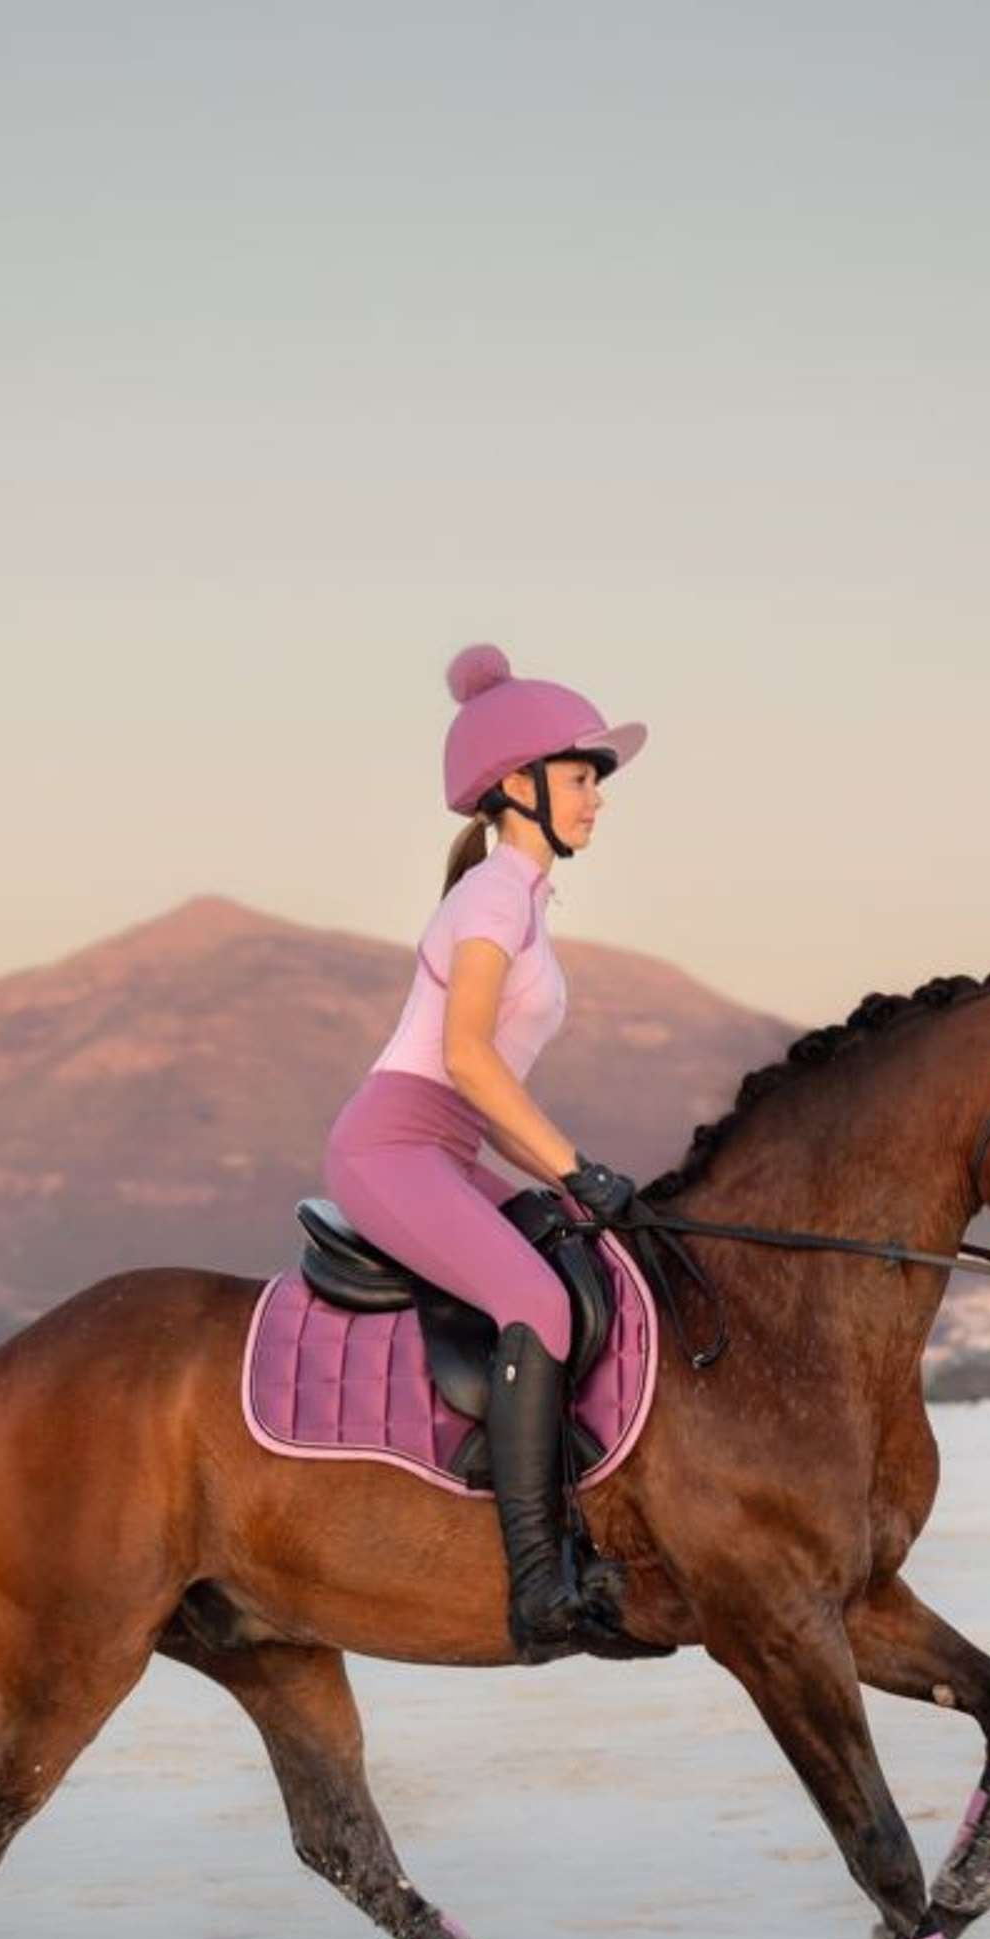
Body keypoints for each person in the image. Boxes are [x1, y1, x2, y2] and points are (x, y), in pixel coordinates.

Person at [322, 644, 651, 1659]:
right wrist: (572, 1165)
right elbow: (465, 1057)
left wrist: (571, 1180)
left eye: (595, 779)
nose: (596, 797)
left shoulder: (526, 904)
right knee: (537, 1303)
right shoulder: (492, 899)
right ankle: (539, 1586)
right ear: (518, 786)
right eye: (580, 777)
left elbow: (485, 1092)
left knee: (585, 1257)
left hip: (448, 1143)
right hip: (391, 1146)